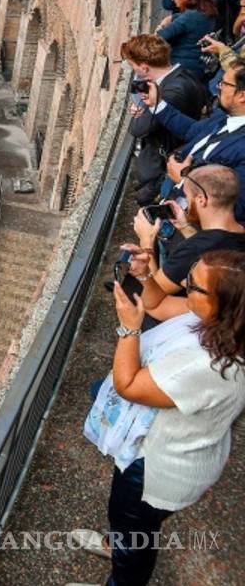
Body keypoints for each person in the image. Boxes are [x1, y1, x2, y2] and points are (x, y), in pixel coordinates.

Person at [75, 250, 245, 585]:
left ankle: (124, 565)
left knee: (135, 538)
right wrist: (144, 277)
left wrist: (128, 330)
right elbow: (158, 305)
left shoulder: (213, 367)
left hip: (155, 468)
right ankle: (117, 543)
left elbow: (129, 385)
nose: (184, 284)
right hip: (160, 449)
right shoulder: (222, 320)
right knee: (130, 522)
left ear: (224, 303)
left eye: (194, 286)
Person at [124, 165, 245, 328]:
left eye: (188, 197)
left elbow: (153, 295)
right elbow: (213, 242)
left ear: (202, 200)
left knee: (132, 293)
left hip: (198, 322)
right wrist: (185, 227)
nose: (186, 202)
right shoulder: (238, 229)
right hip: (230, 310)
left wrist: (146, 240)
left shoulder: (194, 249)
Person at [136, 58, 245, 223]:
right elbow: (191, 130)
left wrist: (185, 180)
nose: (219, 87)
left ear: (242, 96)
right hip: (171, 206)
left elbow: (234, 208)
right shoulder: (224, 117)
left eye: (224, 84)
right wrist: (157, 104)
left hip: (189, 229)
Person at [121, 35, 206, 205]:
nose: (134, 72)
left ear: (145, 68)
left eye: (133, 66)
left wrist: (144, 111)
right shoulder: (182, 74)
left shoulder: (172, 92)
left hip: (162, 166)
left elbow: (138, 129)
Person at [154, 0, 218, 74]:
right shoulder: (208, 10)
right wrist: (171, 18)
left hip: (180, 66)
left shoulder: (188, 18)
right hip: (197, 64)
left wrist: (160, 28)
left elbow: (158, 38)